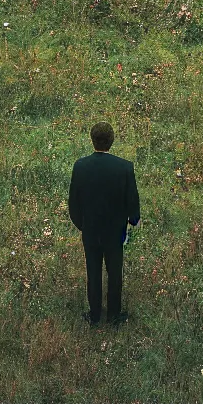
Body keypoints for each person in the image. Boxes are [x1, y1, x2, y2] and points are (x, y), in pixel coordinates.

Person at [66, 122, 140, 325]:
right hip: (115, 231)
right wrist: (133, 220)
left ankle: (95, 314)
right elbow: (132, 199)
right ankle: (114, 316)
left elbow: (74, 201)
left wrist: (82, 224)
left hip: (90, 230)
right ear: (112, 140)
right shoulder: (124, 167)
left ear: (92, 139)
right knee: (115, 272)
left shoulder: (80, 166)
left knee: (93, 271)